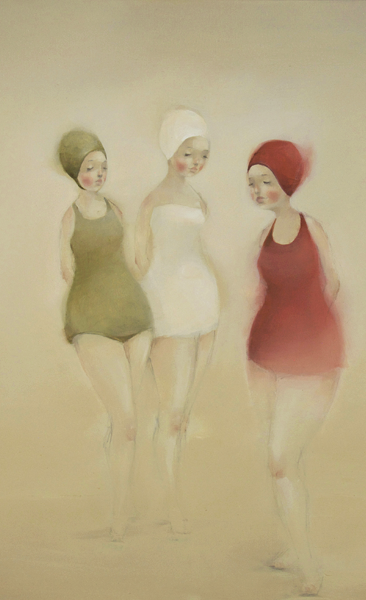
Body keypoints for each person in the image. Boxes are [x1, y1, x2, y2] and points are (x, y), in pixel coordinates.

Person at [246, 140, 344, 596]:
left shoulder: (312, 228)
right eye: (252, 183)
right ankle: (291, 545)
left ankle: (307, 565)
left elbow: (333, 282)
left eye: (265, 181)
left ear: (286, 181)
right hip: (265, 357)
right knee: (278, 461)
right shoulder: (262, 236)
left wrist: (309, 329)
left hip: (311, 358)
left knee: (282, 460)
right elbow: (262, 293)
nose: (258, 190)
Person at [58, 129, 153, 541]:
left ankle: (124, 506)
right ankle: (118, 514)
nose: (98, 174)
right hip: (92, 322)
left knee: (133, 422)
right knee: (125, 419)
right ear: (74, 172)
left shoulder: (116, 209)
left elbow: (134, 263)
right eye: (89, 167)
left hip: (135, 316)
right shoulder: (70, 217)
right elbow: (67, 271)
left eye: (102, 166)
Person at [135, 109, 219, 534]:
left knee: (184, 414)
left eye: (203, 155)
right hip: (166, 306)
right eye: (189, 153)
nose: (197, 162)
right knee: (170, 412)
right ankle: (171, 502)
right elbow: (139, 260)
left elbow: (196, 250)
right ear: (170, 151)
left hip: (204, 304)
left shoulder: (199, 200)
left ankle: (174, 494)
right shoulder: (152, 201)